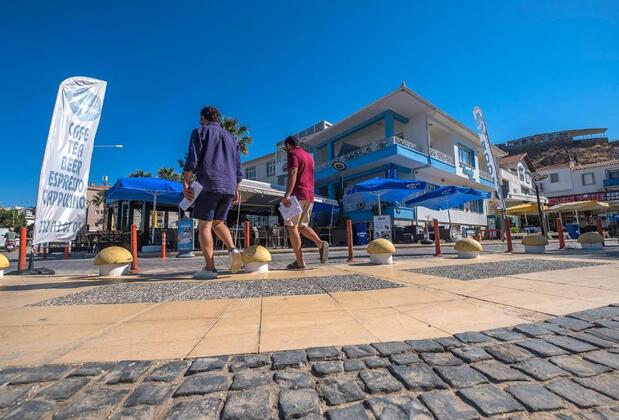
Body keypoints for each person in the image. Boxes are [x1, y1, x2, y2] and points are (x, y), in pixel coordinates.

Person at [183, 106, 243, 279]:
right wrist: (236, 188)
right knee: (218, 223)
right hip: (229, 186)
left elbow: (192, 160)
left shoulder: (200, 132)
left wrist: (186, 183)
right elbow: (238, 168)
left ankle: (210, 268)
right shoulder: (232, 138)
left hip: (209, 184)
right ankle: (233, 250)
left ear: (203, 118)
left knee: (205, 225)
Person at [281, 135, 329, 269]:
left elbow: (293, 172)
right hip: (309, 195)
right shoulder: (309, 156)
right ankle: (320, 243)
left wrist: (287, 195)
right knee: (302, 226)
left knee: (292, 227)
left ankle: (300, 262)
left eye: (286, 148)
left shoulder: (292, 153)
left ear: (288, 145)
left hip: (297, 195)